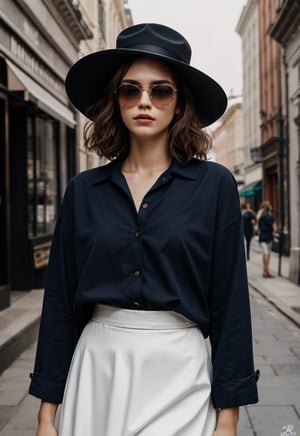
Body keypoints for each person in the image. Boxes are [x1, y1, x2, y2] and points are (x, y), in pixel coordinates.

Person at [29, 23, 259, 436]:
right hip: (98, 370)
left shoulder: (215, 186)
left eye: (161, 90)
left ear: (180, 101)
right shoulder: (84, 191)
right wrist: (48, 411)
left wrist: (229, 415)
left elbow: (230, 304)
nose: (144, 101)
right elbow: (60, 304)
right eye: (130, 90)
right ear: (115, 100)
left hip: (182, 372)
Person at [257, 200, 277, 278]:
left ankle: (265, 271)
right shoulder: (271, 216)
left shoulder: (260, 216)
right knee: (267, 253)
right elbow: (274, 228)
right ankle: (266, 270)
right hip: (269, 236)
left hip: (262, 235)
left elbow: (256, 228)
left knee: (264, 253)